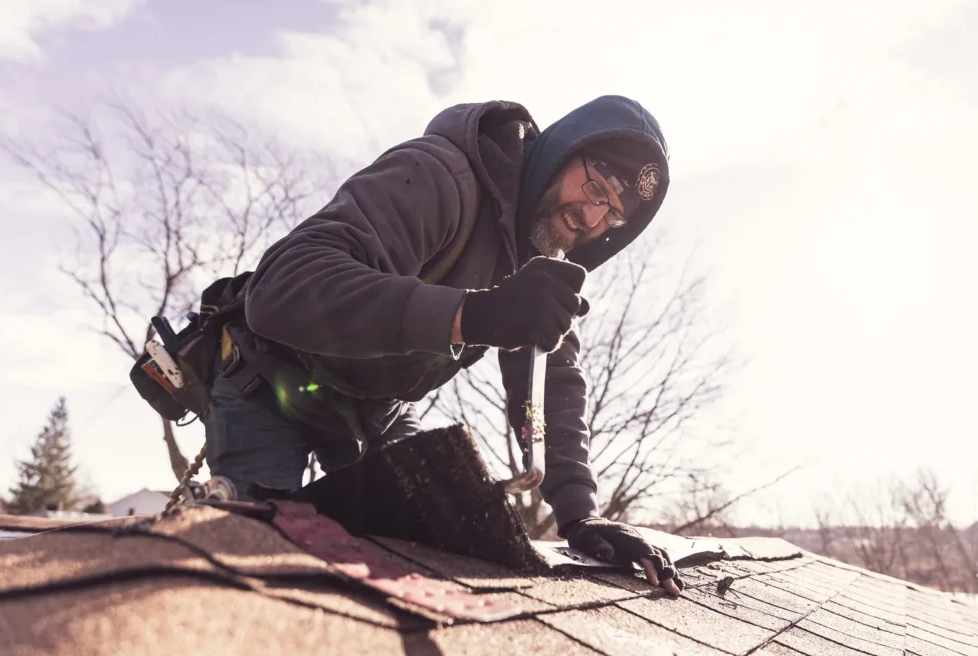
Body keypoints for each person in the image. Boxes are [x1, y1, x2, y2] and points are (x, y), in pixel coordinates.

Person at [205, 95, 682, 596]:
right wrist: (473, 316)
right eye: (595, 188)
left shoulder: (538, 258)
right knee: (255, 564)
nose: (591, 216)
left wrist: (582, 517)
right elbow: (282, 287)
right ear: (563, 151)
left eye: (613, 214)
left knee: (426, 549)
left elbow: (552, 385)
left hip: (374, 408)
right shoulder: (441, 177)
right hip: (274, 375)